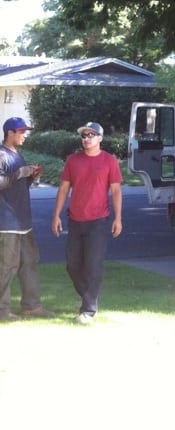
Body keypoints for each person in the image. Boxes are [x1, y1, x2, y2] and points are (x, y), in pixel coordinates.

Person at [51, 121, 123, 325]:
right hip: (75, 220)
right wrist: (56, 216)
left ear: (100, 138)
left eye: (91, 135)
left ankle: (88, 310)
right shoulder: (73, 161)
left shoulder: (109, 161)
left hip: (98, 221)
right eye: (84, 135)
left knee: (93, 265)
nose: (87, 139)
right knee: (73, 265)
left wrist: (118, 218)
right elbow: (64, 189)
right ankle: (90, 297)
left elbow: (116, 191)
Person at [0, 117, 53, 320]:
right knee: (6, 267)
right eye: (21, 132)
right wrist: (20, 173)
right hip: (6, 223)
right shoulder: (1, 154)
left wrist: (31, 176)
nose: (25, 135)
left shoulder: (17, 155)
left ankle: (31, 306)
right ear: (10, 133)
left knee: (29, 263)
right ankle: (2, 310)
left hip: (23, 222)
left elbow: (17, 187)